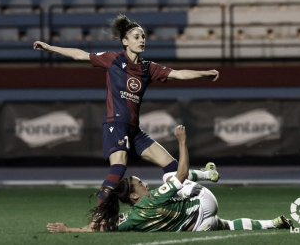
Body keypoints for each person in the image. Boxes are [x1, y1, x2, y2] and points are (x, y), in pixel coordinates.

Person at [33, 14, 220, 211]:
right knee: (119, 167)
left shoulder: (148, 68)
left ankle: (206, 174)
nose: (141, 40)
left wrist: (203, 74)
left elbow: (178, 73)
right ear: (125, 41)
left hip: (134, 130)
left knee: (172, 167)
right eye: (136, 37)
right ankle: (99, 215)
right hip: (116, 123)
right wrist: (49, 47)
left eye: (143, 37)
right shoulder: (113, 60)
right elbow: (80, 54)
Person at [46, 125, 294, 233]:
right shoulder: (153, 198)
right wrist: (182, 143)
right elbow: (182, 174)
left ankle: (274, 223)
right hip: (204, 203)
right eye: (139, 184)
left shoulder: (129, 219)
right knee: (170, 173)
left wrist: (69, 229)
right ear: (134, 195)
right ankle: (209, 173)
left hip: (197, 227)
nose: (145, 184)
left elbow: (98, 228)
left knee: (228, 225)